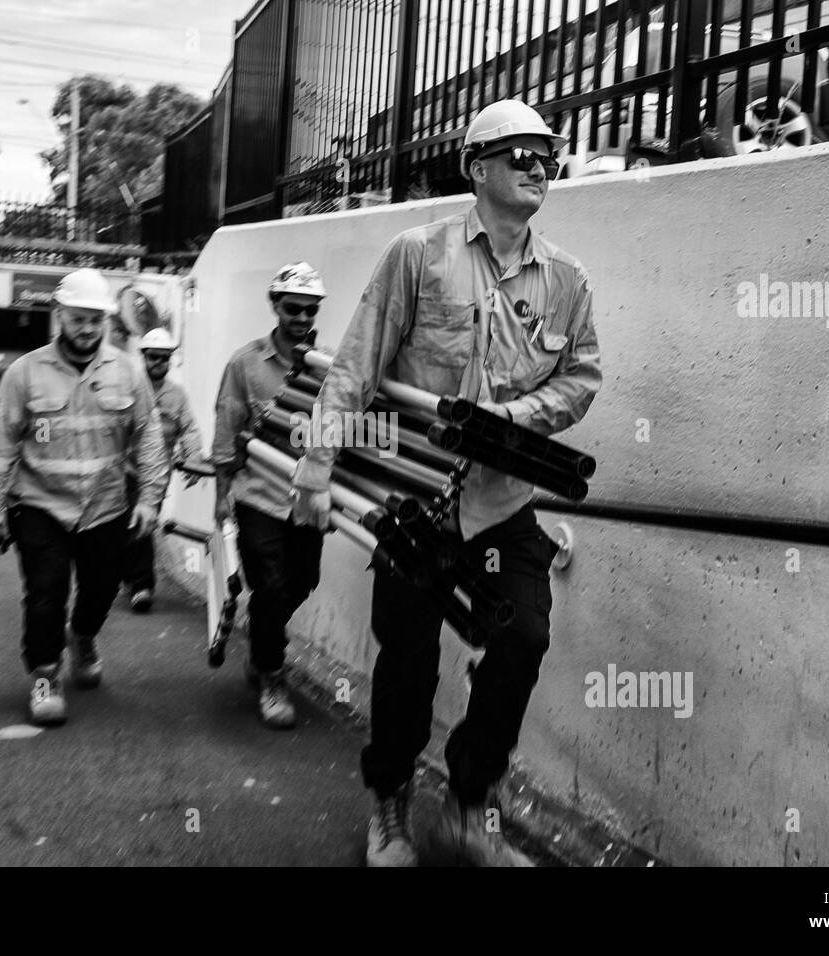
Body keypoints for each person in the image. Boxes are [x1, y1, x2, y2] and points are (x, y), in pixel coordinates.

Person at [288, 99, 602, 866]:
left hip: (502, 504)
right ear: (477, 167)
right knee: (408, 662)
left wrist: (515, 415)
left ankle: (466, 805)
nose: (538, 165)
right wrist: (317, 465)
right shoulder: (416, 254)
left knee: (521, 639)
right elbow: (357, 365)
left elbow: (583, 376)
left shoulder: (565, 280)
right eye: (520, 153)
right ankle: (390, 802)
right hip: (413, 504)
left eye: (547, 154)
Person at [0, 267, 170, 726]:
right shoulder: (25, 373)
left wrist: (150, 500)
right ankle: (45, 674)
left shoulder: (126, 372)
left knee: (100, 590)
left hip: (105, 508)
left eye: (95, 320)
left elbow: (149, 437)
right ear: (60, 315)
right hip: (40, 505)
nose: (87, 328)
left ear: (105, 321)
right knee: (45, 593)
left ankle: (83, 636)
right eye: (78, 318)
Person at [211, 262, 328, 729]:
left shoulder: (330, 368)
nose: (302, 317)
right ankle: (273, 676)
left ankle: (260, 650)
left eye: (310, 310)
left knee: (301, 583)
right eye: (293, 308)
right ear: (275, 306)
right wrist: (222, 497)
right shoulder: (245, 365)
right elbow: (226, 432)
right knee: (271, 586)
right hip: (257, 496)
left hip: (306, 500)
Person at [122, 327, 204, 611]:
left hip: (156, 474)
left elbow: (190, 429)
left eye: (164, 358)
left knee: (143, 524)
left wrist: (194, 457)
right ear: (143, 357)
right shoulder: (128, 388)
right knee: (123, 526)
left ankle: (142, 586)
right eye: (153, 357)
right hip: (123, 471)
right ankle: (130, 576)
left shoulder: (177, 396)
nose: (158, 363)